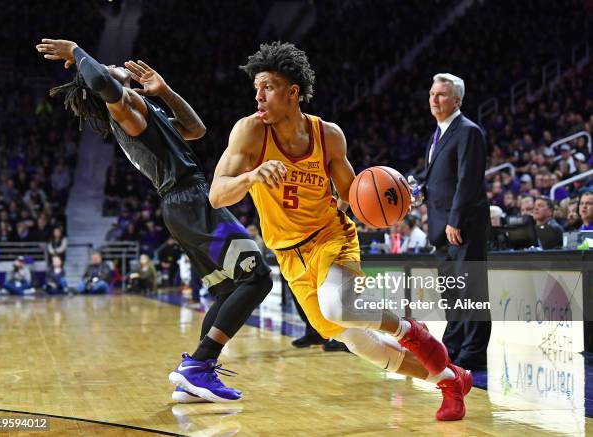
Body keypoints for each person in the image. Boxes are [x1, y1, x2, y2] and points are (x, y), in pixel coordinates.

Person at [208, 42, 470, 421]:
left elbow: (352, 195)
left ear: (292, 92)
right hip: (289, 256)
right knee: (359, 343)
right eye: (256, 89)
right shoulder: (249, 132)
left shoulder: (327, 135)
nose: (258, 96)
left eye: (267, 87)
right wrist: (251, 176)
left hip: (332, 238)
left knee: (338, 305)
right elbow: (216, 195)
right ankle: (450, 379)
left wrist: (390, 196)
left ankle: (412, 330)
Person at [37, 38, 272, 403]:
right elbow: (101, 82)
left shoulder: (143, 107)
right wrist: (76, 52)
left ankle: (194, 377)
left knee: (230, 289)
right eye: (105, 66)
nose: (112, 65)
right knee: (257, 278)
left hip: (184, 204)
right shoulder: (123, 109)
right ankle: (199, 365)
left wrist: (166, 91)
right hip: (190, 199)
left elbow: (196, 130)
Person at [420, 73, 491, 372]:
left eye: (442, 95)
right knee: (452, 292)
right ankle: (453, 346)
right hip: (441, 228)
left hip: (462, 226)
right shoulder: (436, 135)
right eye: (432, 94)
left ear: (457, 100)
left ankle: (473, 353)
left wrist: (455, 220)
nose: (434, 99)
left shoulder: (468, 131)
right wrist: (417, 192)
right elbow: (438, 181)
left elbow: (468, 180)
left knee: (471, 291)